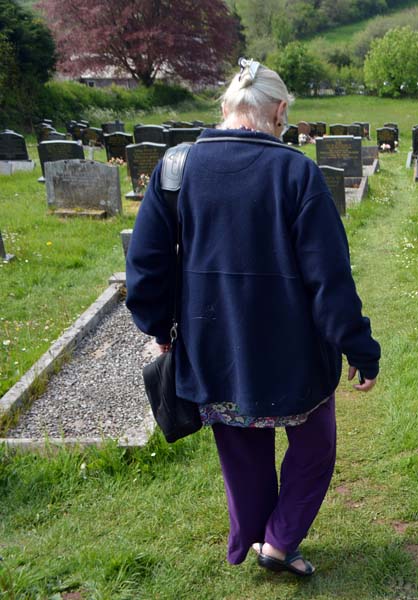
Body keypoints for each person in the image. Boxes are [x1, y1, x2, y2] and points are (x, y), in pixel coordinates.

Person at [125, 58, 380, 577]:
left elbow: (146, 266)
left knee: (244, 455)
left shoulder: (177, 167)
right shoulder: (298, 173)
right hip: (297, 354)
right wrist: (358, 347)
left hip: (216, 348)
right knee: (314, 449)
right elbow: (329, 279)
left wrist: (159, 329)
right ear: (280, 111)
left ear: (226, 107)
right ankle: (279, 543)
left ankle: (264, 540)